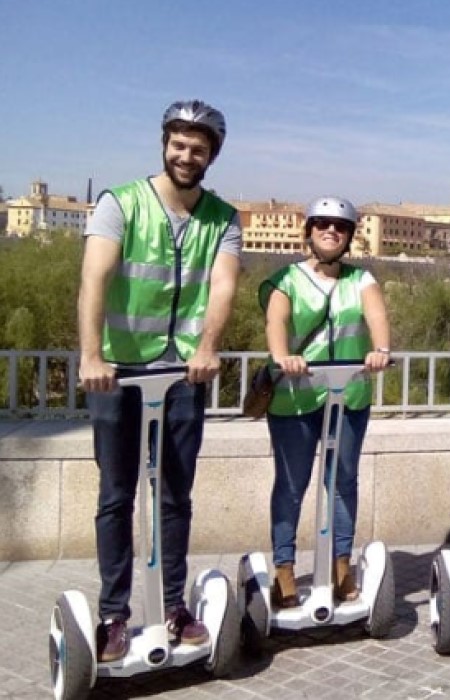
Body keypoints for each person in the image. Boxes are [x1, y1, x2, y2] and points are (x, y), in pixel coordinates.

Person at [77, 100, 242, 661]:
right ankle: (113, 615)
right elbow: (94, 280)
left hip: (181, 375)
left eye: (198, 147)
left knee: (175, 495)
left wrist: (208, 347)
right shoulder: (120, 203)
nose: (185, 155)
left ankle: (173, 605)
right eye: (178, 143)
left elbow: (222, 286)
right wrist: (90, 355)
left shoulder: (223, 217)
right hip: (118, 374)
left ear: (211, 155)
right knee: (116, 495)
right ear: (164, 143)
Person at [260, 196, 392, 608]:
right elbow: (275, 322)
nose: (331, 231)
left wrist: (381, 349)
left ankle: (340, 566)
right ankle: (284, 569)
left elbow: (376, 318)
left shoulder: (361, 280)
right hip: (295, 398)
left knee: (343, 483)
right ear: (310, 231)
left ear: (350, 236)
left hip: (348, 395)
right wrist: (284, 357)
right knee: (291, 484)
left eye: (340, 226)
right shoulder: (287, 279)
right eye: (322, 225)